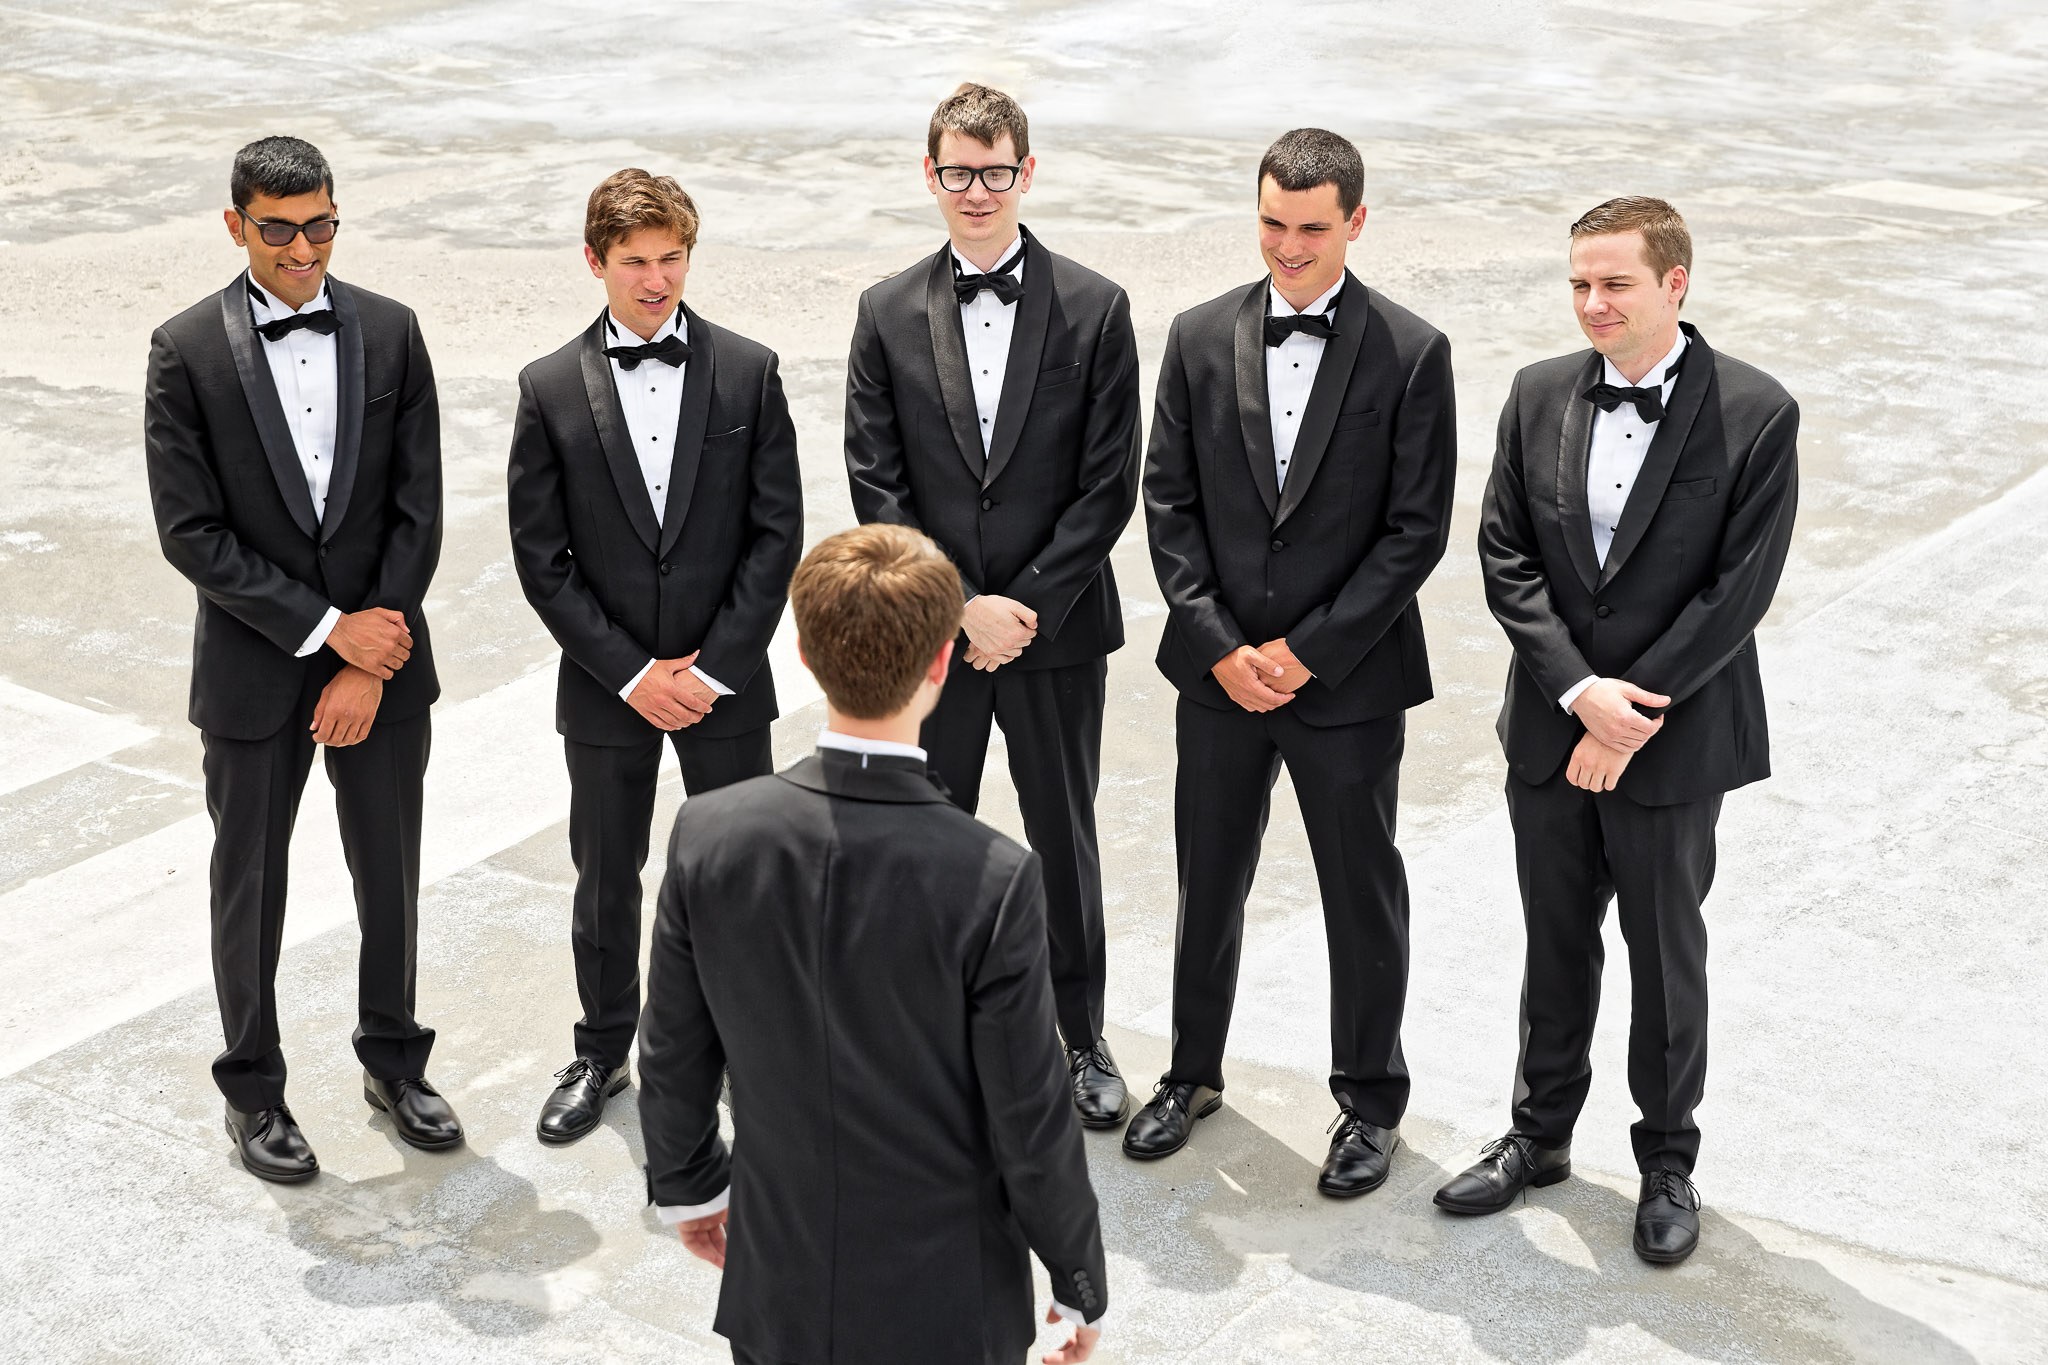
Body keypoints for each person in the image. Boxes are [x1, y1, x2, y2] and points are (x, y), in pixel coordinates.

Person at [638, 524, 1107, 1365]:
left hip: (777, 1282)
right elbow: (1030, 1117)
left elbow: (672, 1047)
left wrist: (690, 1189)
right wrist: (1075, 1279)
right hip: (948, 1302)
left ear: (806, 658)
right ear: (939, 663)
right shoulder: (993, 875)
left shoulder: (707, 833)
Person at [1441, 197, 1799, 1265]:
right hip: (1552, 731)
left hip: (1674, 741)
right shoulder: (1536, 392)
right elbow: (1504, 556)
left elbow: (1736, 592)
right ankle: (1536, 1138)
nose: (1591, 304)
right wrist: (1573, 695)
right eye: (1578, 285)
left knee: (1662, 952)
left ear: (1674, 284)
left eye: (1614, 284)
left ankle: (1665, 1164)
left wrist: (1627, 711)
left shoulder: (1754, 409)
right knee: (1552, 946)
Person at [1134, 128, 1456, 1196]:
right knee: (1206, 877)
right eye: (1271, 223)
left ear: (1356, 222)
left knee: (1359, 889)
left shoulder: (1412, 353)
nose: (1287, 246)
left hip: (1348, 682)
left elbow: (1413, 531)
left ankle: (1369, 1105)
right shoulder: (1191, 336)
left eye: (1311, 228)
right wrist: (1222, 648)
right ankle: (1188, 1074)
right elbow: (1167, 506)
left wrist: (1305, 654)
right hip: (1216, 678)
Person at [144, 135, 459, 1180]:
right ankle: (254, 1094)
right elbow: (191, 534)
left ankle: (395, 1063)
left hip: (387, 656)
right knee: (250, 883)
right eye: (279, 231)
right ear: (236, 226)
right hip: (254, 670)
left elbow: (417, 512)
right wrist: (329, 635)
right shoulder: (183, 349)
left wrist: (372, 657)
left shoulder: (393, 330)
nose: (303, 249)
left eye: (321, 225)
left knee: (392, 875)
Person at [844, 82, 1143, 1128]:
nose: (977, 189)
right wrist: (957, 609)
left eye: (996, 169)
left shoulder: (1096, 307)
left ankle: (1080, 1040)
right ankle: (924, 1045)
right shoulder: (883, 311)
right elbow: (874, 485)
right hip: (932, 637)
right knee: (926, 842)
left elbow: (1109, 483)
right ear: (931, 176)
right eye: (958, 171)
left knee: (1063, 838)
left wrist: (1022, 609)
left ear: (1028, 172)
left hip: (1055, 634)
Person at [506, 169, 802, 1144]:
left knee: (736, 874)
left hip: (728, 684)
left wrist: (711, 670)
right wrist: (632, 674)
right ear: (595, 262)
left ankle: (747, 1051)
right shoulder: (548, 389)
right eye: (633, 261)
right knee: (605, 875)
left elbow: (774, 536)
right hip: (606, 688)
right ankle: (600, 1052)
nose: (654, 278)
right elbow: (540, 558)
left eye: (670, 257)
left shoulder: (750, 373)